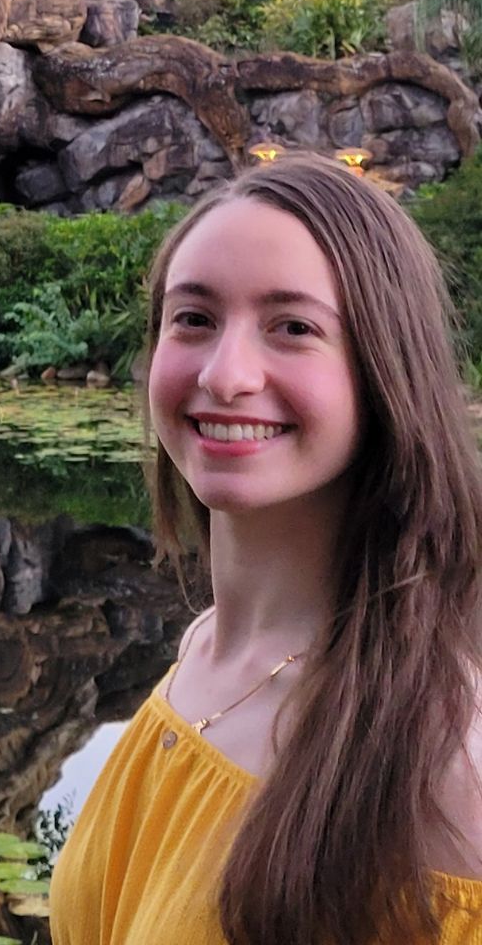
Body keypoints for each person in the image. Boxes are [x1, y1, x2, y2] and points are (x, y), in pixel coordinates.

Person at [49, 152, 482, 945]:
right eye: (195, 318)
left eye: (293, 327)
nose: (227, 374)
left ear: (387, 370)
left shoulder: (441, 767)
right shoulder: (205, 651)